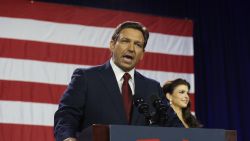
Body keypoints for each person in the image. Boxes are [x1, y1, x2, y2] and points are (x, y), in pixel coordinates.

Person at [54, 21, 164, 141]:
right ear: (112, 44)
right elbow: (66, 116)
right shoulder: (86, 78)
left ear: (142, 54)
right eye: (125, 41)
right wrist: (67, 138)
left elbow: (166, 124)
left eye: (138, 44)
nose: (131, 48)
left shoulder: (153, 88)